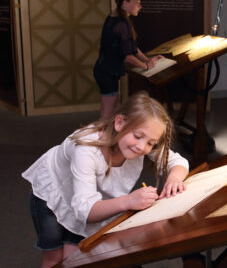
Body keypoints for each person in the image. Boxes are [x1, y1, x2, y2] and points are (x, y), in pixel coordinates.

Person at [22, 91, 189, 268]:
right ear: (119, 123)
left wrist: (174, 178)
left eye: (151, 144)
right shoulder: (85, 149)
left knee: (75, 257)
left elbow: (178, 162)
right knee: (54, 259)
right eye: (138, 136)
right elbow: (85, 211)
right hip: (53, 194)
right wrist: (129, 201)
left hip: (86, 197)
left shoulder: (141, 139)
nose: (142, 147)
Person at [94, 0, 162, 118]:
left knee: (117, 108)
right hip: (106, 73)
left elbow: (132, 47)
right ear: (125, 4)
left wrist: (147, 59)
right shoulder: (121, 24)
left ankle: (114, 137)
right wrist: (146, 67)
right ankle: (100, 138)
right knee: (107, 112)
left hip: (106, 71)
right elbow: (127, 56)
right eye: (137, 2)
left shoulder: (115, 18)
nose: (140, 6)